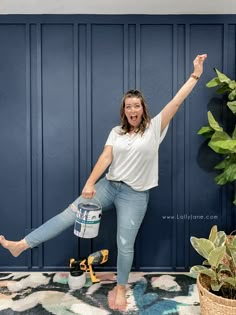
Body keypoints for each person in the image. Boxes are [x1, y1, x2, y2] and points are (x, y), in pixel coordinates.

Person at [0, 54, 207, 311]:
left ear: (143, 109)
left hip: (135, 195)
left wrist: (195, 73)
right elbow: (106, 156)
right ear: (124, 111)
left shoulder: (154, 129)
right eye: (128, 106)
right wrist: (89, 183)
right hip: (109, 187)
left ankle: (120, 289)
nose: (133, 110)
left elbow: (177, 102)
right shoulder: (116, 132)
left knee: (124, 243)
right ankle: (22, 245)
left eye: (137, 105)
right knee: (69, 214)